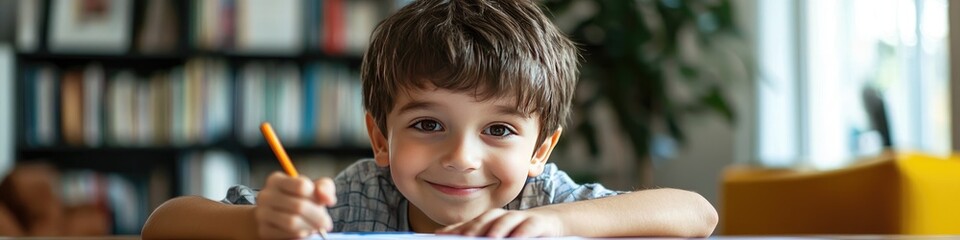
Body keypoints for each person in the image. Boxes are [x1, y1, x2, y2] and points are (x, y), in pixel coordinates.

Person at [141, 0, 718, 238]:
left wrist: (565, 226)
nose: (462, 157)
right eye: (427, 124)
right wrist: (260, 225)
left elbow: (698, 213)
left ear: (541, 149)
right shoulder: (357, 197)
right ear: (380, 137)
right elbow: (164, 225)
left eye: (499, 129)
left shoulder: (542, 201)